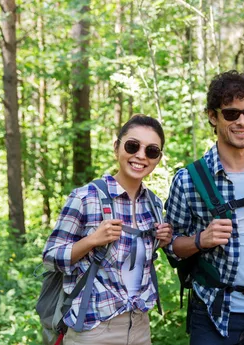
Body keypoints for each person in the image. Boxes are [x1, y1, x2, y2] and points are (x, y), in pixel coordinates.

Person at [163, 70, 244, 345]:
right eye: (231, 114)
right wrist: (200, 240)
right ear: (213, 116)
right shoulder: (189, 180)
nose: (242, 121)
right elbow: (170, 247)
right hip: (212, 311)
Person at [42, 115, 173, 345]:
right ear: (117, 147)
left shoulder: (153, 203)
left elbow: (135, 264)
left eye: (151, 151)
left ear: (158, 158)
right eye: (132, 146)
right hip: (93, 328)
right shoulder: (86, 197)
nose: (141, 155)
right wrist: (92, 240)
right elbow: (51, 257)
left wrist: (161, 240)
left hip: (140, 327)